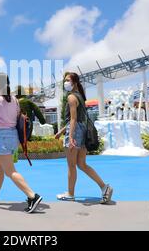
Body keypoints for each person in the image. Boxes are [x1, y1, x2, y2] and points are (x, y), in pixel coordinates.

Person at [0, 73, 43, 214]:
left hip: (3, 136)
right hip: (13, 136)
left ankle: (32, 196)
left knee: (10, 171)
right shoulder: (15, 100)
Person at [55, 72, 113, 204]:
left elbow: (74, 119)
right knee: (81, 164)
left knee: (71, 165)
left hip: (75, 132)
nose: (66, 83)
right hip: (82, 131)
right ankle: (104, 187)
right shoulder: (80, 96)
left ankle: (70, 194)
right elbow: (78, 119)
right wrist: (61, 132)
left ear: (74, 82)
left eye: (68, 80)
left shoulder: (71, 97)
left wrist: (69, 137)